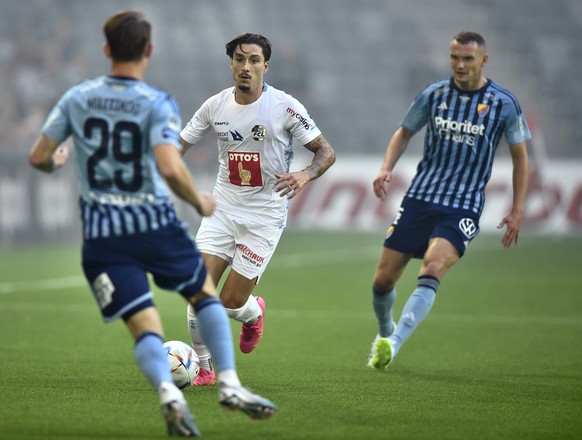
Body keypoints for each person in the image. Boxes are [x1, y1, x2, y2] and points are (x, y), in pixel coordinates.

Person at [28, 11, 275, 437]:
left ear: (106, 50)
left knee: (142, 321)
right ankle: (229, 384)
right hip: (154, 224)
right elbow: (168, 165)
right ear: (149, 51)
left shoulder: (77, 98)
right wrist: (197, 199)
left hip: (104, 234)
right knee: (203, 294)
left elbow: (38, 157)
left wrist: (57, 161)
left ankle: (166, 389)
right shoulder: (155, 102)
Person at [367, 31, 530, 370]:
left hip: (463, 204)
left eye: (467, 58)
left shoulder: (503, 103)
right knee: (382, 281)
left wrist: (517, 210)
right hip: (420, 198)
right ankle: (384, 333)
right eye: (455, 57)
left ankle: (394, 345)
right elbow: (404, 132)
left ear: (483, 60)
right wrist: (385, 168)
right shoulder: (435, 94)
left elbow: (520, 158)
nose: (459, 64)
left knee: (434, 266)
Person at [180, 33, 336, 385]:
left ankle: (252, 313)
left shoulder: (285, 106)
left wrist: (305, 174)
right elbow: (179, 145)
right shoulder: (214, 106)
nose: (245, 66)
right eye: (239, 59)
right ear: (231, 64)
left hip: (264, 215)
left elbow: (326, 152)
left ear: (266, 65)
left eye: (253, 60)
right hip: (223, 207)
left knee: (230, 302)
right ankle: (204, 369)